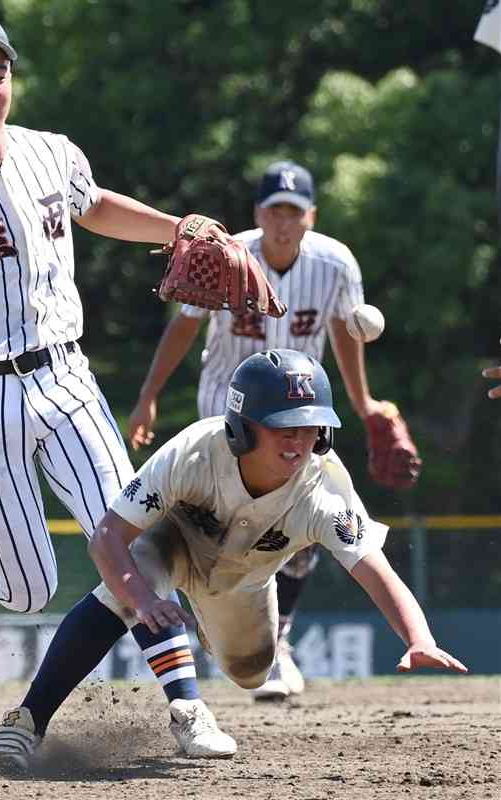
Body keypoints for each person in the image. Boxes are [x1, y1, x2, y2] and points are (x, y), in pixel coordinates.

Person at [0, 12, 233, 741]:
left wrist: (177, 228)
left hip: (67, 376)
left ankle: (187, 706)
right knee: (25, 590)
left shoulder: (50, 152)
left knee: (134, 541)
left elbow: (93, 208)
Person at [0, 348, 466, 775]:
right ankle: (24, 723)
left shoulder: (324, 491)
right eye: (281, 426)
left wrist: (419, 639)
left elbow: (375, 571)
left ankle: (210, 629)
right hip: (172, 547)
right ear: (242, 427)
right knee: (121, 593)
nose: (297, 439)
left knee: (252, 671)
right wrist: (143, 600)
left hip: (244, 586)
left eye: (310, 425)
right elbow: (108, 539)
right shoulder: (193, 452)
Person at [127, 159, 421, 700]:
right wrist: (148, 397)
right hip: (229, 412)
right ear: (259, 212)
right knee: (205, 529)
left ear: (310, 214)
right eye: (273, 209)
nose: (282, 221)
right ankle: (208, 618)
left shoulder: (335, 262)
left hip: (298, 420)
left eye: (293, 210)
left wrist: (363, 403)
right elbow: (184, 327)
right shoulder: (229, 253)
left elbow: (345, 332)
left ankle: (276, 640)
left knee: (302, 536)